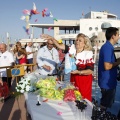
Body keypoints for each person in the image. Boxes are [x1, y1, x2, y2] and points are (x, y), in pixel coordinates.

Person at [41, 33, 94, 101]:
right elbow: (59, 45)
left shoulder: (87, 54)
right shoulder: (72, 50)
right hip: (74, 79)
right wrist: (52, 38)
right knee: (74, 98)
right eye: (77, 40)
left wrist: (79, 72)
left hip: (84, 82)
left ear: (84, 44)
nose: (77, 41)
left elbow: (90, 71)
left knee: (83, 100)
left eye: (80, 40)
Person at [98, 27, 120, 110]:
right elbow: (107, 66)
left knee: (105, 104)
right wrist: (118, 62)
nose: (119, 36)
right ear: (113, 36)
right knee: (104, 106)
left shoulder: (108, 47)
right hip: (107, 83)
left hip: (107, 82)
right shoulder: (107, 47)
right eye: (118, 34)